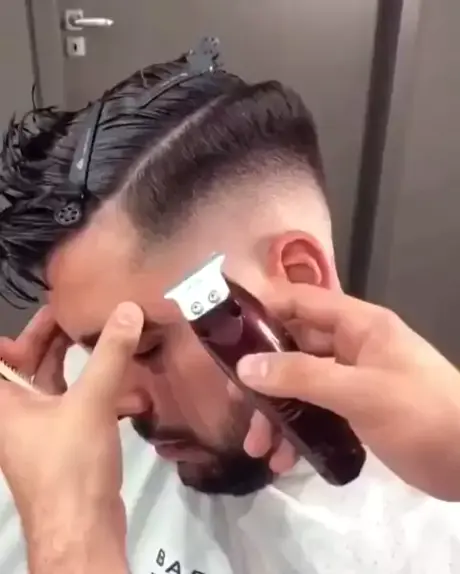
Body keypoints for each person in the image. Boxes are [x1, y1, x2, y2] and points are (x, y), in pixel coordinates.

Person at [0, 42, 459, 573]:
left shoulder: (426, 541)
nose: (116, 404)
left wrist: (68, 534)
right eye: (88, 346)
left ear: (299, 277)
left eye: (145, 347)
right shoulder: (62, 413)